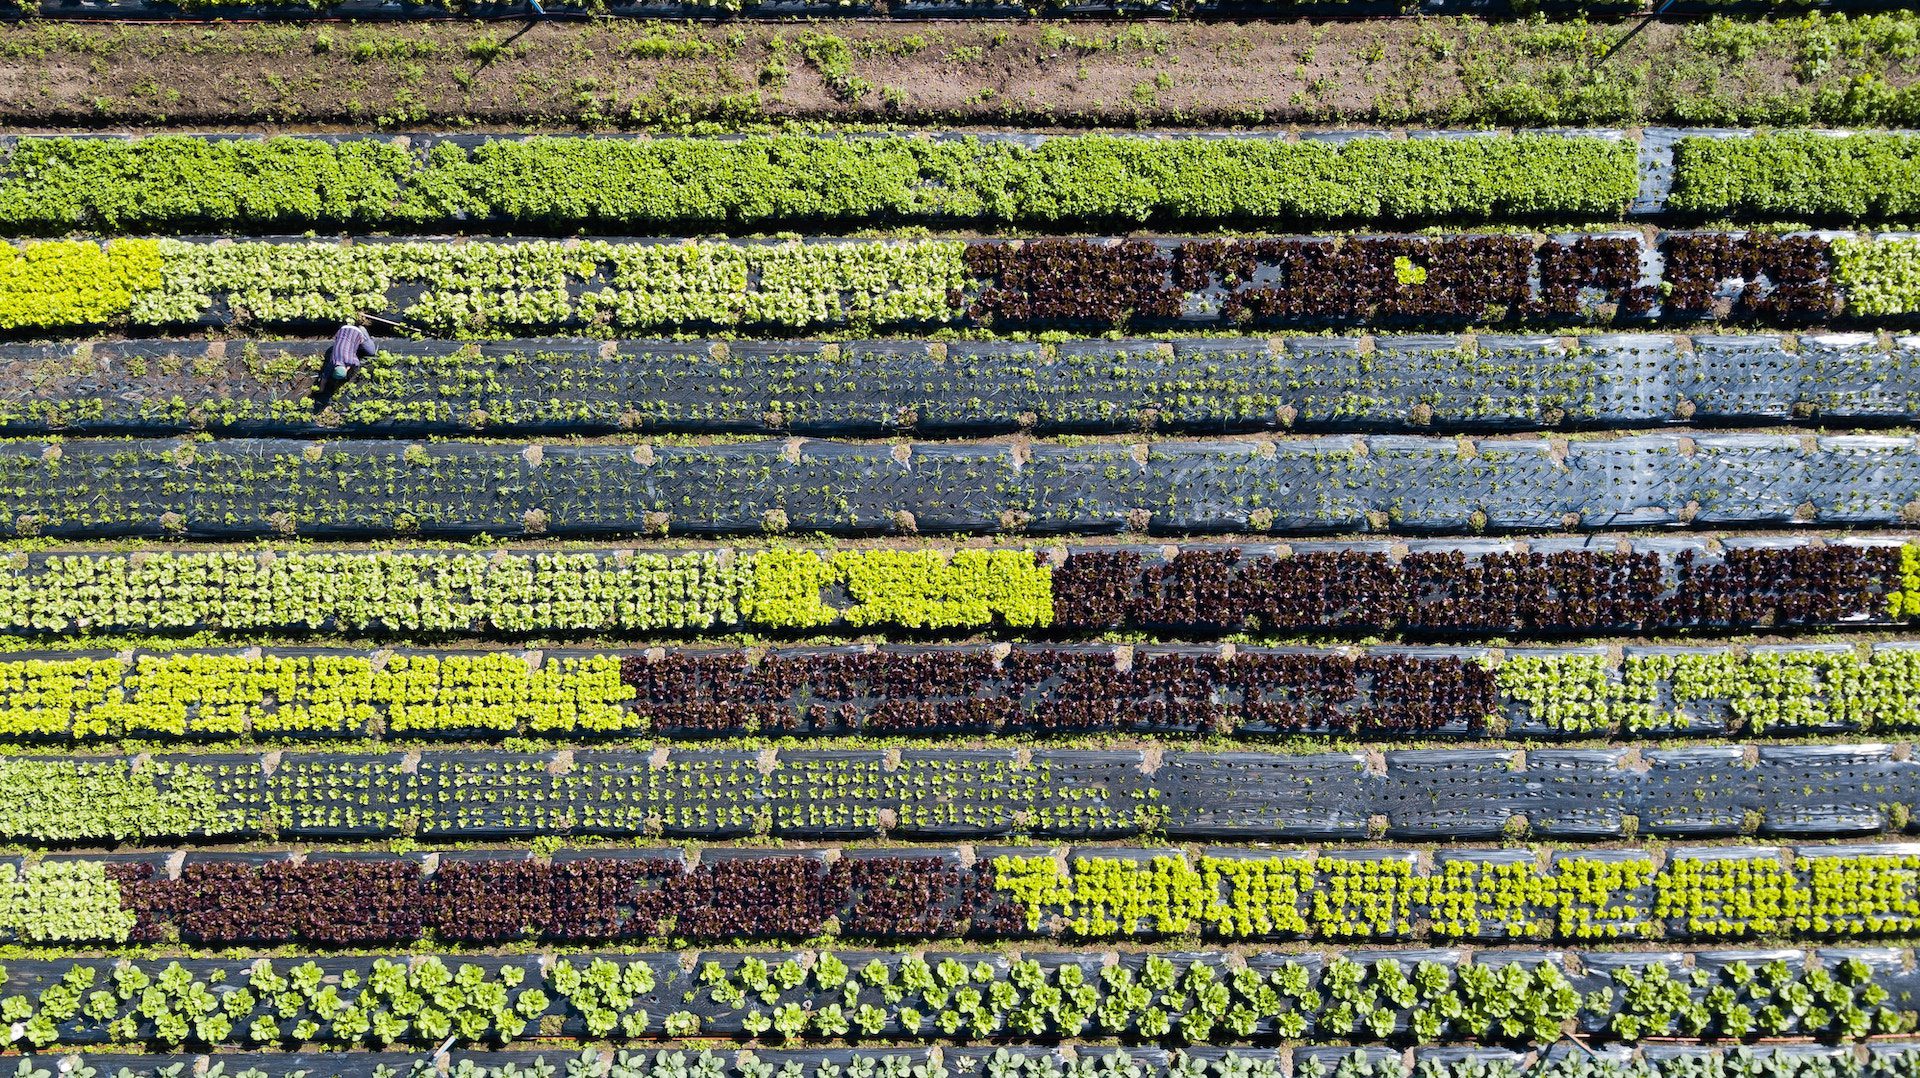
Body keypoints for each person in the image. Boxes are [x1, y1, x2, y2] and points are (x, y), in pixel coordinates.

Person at [313, 318, 378, 407]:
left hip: (354, 332)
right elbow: (324, 378)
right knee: (355, 349)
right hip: (341, 330)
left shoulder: (344, 361)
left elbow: (357, 364)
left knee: (371, 352)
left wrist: (321, 390)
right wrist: (321, 390)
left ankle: (362, 331)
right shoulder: (336, 362)